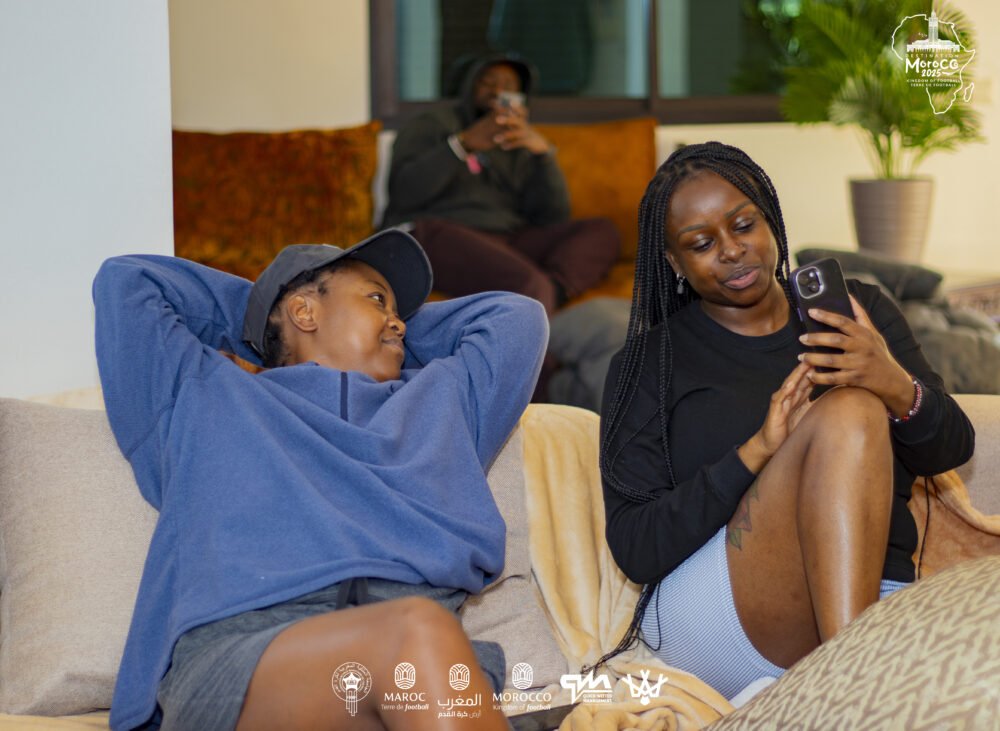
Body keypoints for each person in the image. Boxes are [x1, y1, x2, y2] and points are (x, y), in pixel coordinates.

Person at [92, 230, 548, 730]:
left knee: (420, 647)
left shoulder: (442, 403)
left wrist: (377, 326)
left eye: (399, 313)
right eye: (377, 299)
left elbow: (517, 319)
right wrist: (267, 319)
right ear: (304, 311)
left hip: (419, 669)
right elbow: (128, 282)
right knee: (415, 636)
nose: (398, 321)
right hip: (246, 653)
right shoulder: (207, 395)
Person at [595, 142, 974, 701]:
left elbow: (951, 450)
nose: (732, 250)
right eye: (701, 243)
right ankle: (848, 695)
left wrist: (891, 380)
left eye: (743, 225)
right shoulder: (649, 363)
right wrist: (758, 451)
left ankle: (843, 671)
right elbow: (635, 547)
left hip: (877, 591)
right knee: (848, 411)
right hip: (717, 613)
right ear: (675, 263)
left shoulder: (860, 313)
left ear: (770, 219)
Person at [381, 52, 620, 315]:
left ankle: (550, 292)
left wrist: (543, 156)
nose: (497, 91)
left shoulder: (517, 140)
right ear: (470, 84)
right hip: (438, 235)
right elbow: (403, 193)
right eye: (488, 82)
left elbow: (553, 217)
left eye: (508, 86)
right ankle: (537, 302)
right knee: (529, 282)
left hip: (505, 241)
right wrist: (462, 145)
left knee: (603, 231)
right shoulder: (432, 123)